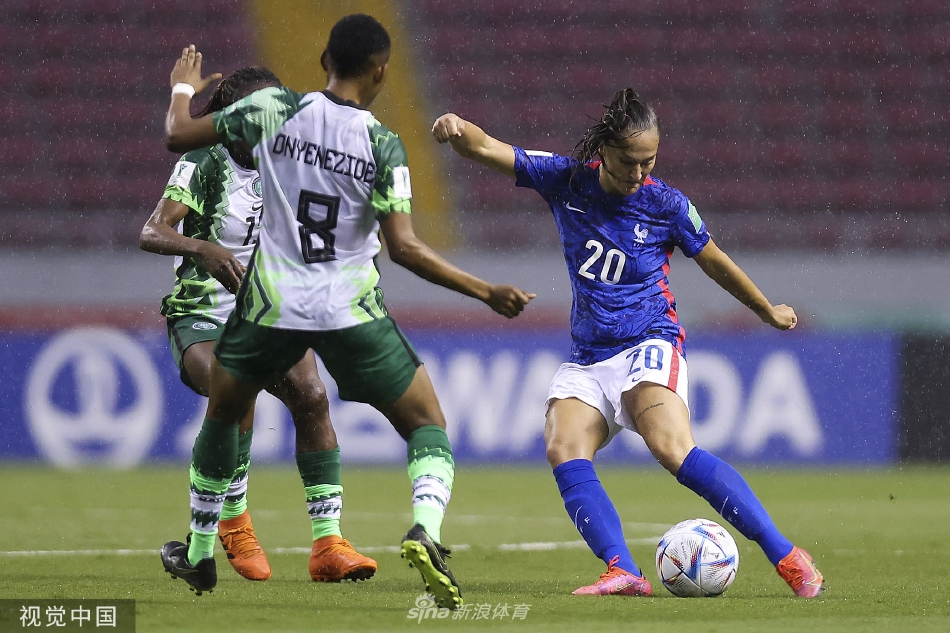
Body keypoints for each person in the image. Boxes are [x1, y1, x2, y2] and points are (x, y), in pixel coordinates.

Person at [158, 14, 534, 608]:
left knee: (226, 411)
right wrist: (484, 290)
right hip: (348, 308)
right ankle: (426, 532)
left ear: (323, 61)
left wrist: (184, 87)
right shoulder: (383, 143)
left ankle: (202, 551)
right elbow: (404, 249)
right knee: (426, 423)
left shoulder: (273, 111)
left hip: (273, 303)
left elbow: (178, 134)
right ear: (382, 70)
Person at [431, 88, 824, 599]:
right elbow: (487, 149)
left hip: (649, 340)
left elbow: (714, 261)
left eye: (648, 162)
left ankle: (788, 556)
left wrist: (766, 309)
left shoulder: (667, 205)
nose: (638, 174)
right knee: (563, 445)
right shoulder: (567, 179)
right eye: (626, 163)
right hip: (588, 354)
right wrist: (458, 129)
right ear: (603, 153)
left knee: (669, 446)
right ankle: (623, 570)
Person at [143, 67, 377, 585]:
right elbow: (151, 231)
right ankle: (233, 520)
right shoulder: (202, 163)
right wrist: (202, 247)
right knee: (236, 388)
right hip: (201, 314)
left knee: (312, 396)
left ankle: (329, 544)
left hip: (267, 309)